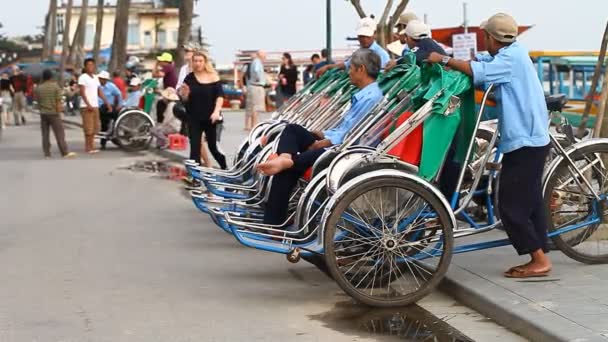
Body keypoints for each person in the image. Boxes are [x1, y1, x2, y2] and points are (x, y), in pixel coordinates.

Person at [427, 13, 552, 278]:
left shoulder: (511, 59)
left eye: (486, 37)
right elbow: (482, 62)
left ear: (492, 38)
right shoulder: (511, 53)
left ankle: (539, 259)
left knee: (509, 205)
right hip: (529, 139)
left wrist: (445, 59)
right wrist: (457, 63)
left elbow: (478, 71)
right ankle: (542, 247)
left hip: (526, 141)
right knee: (530, 201)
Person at [257, 48, 383, 225]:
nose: (349, 72)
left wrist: (327, 140)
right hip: (335, 140)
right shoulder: (363, 94)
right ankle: (285, 158)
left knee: (288, 169)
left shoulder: (371, 97)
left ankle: (273, 221)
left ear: (361, 69)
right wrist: (323, 134)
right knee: (292, 129)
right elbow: (346, 126)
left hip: (345, 150)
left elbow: (355, 133)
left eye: (351, 69)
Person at [178, 50, 227, 169]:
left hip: (210, 117)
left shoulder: (213, 77)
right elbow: (184, 99)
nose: (197, 63)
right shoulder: (189, 78)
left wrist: (216, 112)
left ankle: (224, 167)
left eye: (200, 61)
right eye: (195, 61)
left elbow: (220, 97)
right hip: (194, 117)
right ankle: (195, 176)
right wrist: (184, 94)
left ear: (205, 62)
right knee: (195, 148)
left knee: (212, 147)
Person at [317, 17, 390, 77]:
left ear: (374, 34)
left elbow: (383, 77)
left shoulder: (382, 54)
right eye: (361, 36)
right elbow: (346, 65)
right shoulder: (358, 54)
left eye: (367, 36)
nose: (364, 39)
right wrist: (328, 67)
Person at [34, 69, 76, 159]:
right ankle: (64, 152)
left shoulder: (39, 88)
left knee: (45, 134)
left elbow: (37, 102)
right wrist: (59, 112)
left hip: (43, 113)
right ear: (51, 77)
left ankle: (47, 153)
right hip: (53, 113)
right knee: (59, 133)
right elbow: (58, 102)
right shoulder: (55, 87)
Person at [78, 58, 112, 154]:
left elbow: (99, 92)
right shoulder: (83, 77)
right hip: (86, 105)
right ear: (85, 66)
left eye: (92, 65)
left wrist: (107, 103)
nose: (91, 67)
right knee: (88, 128)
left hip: (95, 105)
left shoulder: (95, 78)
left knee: (95, 127)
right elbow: (82, 92)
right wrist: (88, 104)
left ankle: (92, 145)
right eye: (88, 65)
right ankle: (88, 147)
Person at [98, 71, 124, 150]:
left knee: (117, 118)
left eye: (103, 79)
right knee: (104, 125)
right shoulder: (97, 86)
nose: (101, 80)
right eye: (100, 79)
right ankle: (103, 143)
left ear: (106, 80)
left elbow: (119, 94)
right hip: (100, 107)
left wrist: (119, 105)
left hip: (110, 107)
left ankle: (116, 133)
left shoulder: (111, 86)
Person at [245, 50, 267, 131]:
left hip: (252, 86)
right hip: (257, 86)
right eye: (264, 54)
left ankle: (252, 125)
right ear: (260, 55)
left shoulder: (254, 61)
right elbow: (257, 71)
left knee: (253, 107)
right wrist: (258, 78)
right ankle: (254, 126)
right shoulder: (257, 62)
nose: (265, 56)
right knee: (256, 107)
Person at [155, 52, 178, 124]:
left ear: (166, 62)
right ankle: (161, 122)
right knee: (160, 103)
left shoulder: (168, 67)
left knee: (160, 104)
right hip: (168, 91)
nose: (160, 62)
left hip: (171, 92)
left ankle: (160, 123)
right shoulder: (170, 67)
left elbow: (158, 75)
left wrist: (156, 65)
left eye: (161, 61)